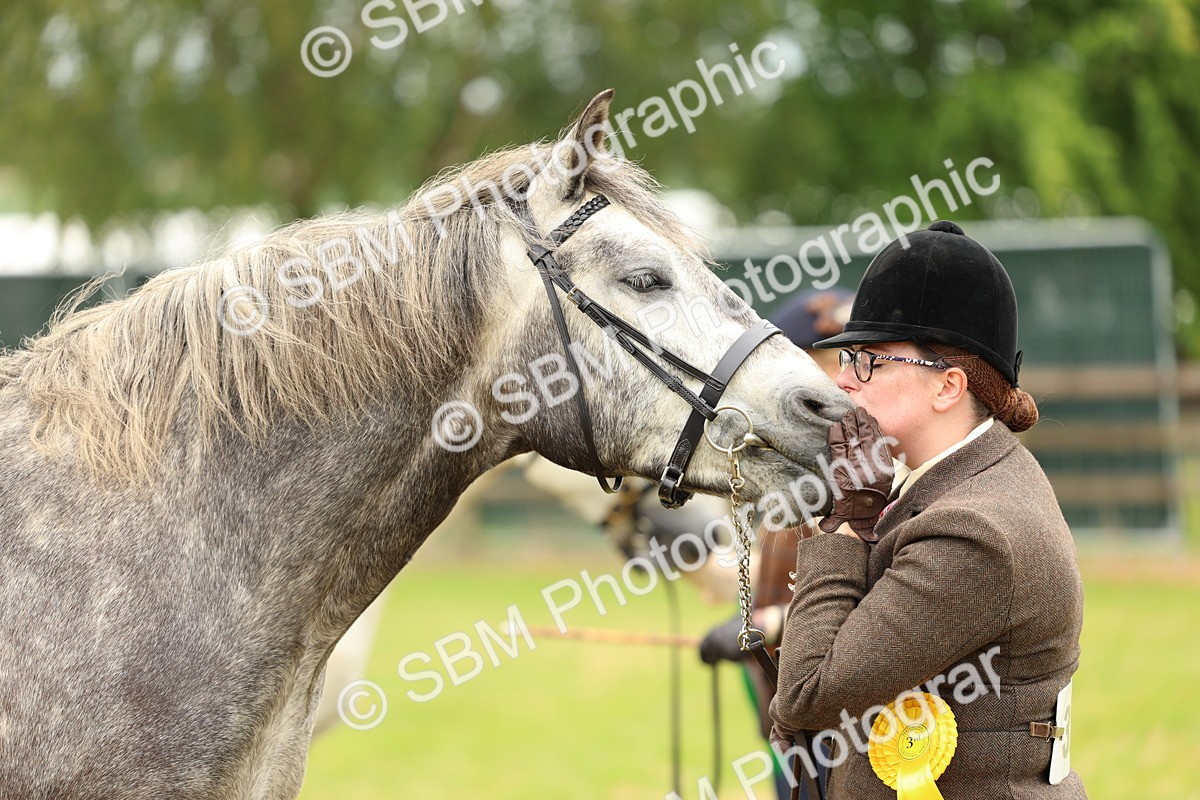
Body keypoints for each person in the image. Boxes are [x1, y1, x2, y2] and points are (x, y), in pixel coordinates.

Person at [770, 220, 1086, 797]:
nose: (844, 383)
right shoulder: (951, 481)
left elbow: (809, 694)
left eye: (871, 361)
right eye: (847, 360)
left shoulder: (974, 527)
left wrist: (843, 523)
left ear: (948, 387)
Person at [698, 288, 853, 800]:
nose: (846, 381)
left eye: (852, 361)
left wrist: (767, 624)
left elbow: (872, 587)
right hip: (792, 708)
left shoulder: (864, 470)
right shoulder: (798, 471)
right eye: (832, 363)